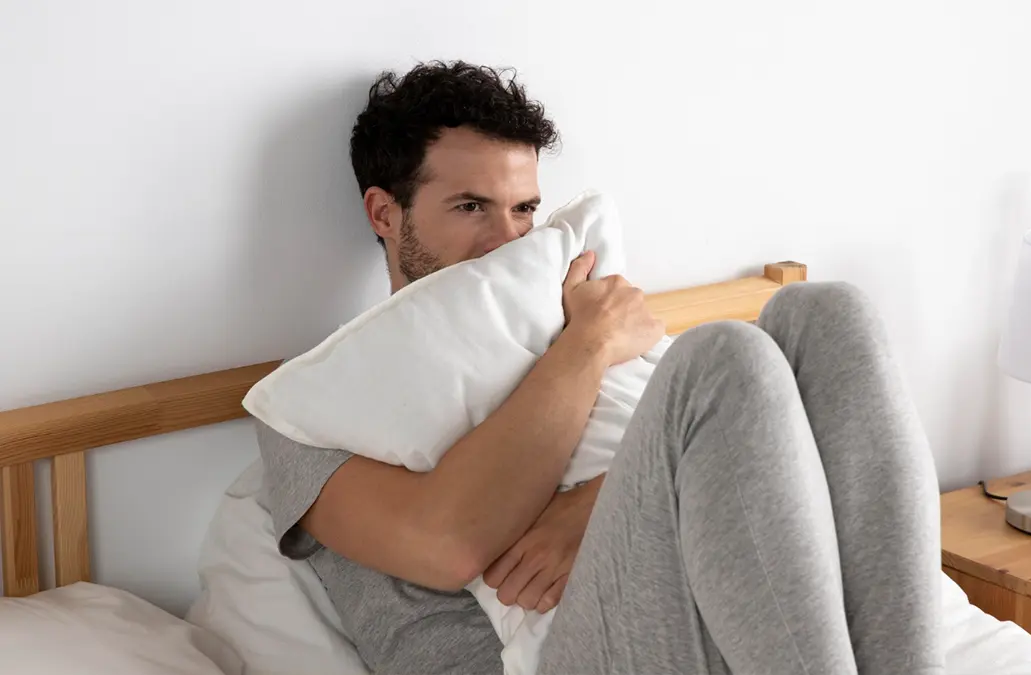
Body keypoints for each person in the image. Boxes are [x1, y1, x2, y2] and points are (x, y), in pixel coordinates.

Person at [256, 60, 945, 675]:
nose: (507, 241)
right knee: (721, 361)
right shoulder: (313, 408)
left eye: (524, 210)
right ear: (384, 213)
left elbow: (714, 467)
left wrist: (594, 507)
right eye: (470, 207)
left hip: (704, 602)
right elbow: (449, 544)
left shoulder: (571, 320)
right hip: (546, 656)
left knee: (827, 313)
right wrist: (588, 342)